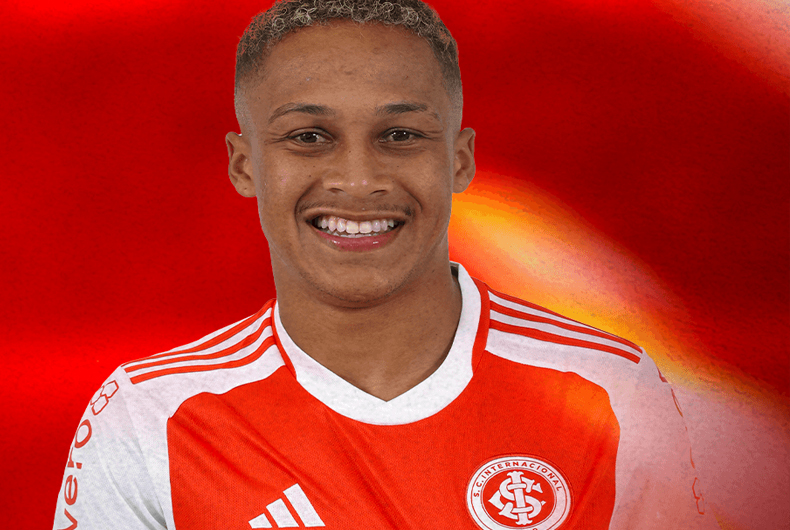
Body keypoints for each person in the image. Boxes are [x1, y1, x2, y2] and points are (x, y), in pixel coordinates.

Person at [53, 1, 718, 528]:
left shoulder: (608, 391)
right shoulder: (152, 416)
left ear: (458, 160)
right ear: (245, 164)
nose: (358, 179)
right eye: (308, 137)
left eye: (400, 135)